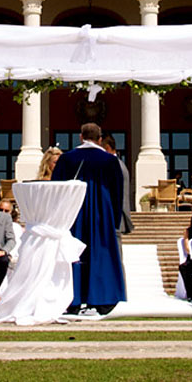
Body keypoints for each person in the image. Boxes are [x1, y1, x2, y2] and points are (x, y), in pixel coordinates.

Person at [51, 120, 127, 316]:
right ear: (100, 139)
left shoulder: (67, 159)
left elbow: (56, 188)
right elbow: (118, 192)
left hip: (73, 212)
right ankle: (102, 299)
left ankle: (73, 300)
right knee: (101, 253)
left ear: (80, 137)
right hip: (102, 213)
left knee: (73, 255)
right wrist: (115, 217)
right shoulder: (110, 161)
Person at [101, 130, 134, 235]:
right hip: (113, 217)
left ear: (106, 148)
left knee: (116, 250)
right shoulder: (117, 164)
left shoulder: (116, 166)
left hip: (114, 217)